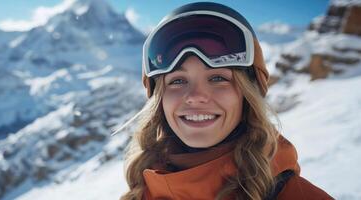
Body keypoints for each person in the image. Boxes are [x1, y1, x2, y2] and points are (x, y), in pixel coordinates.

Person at [120, 2, 333, 200]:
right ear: (160, 100)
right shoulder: (142, 192)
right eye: (177, 80)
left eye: (217, 78)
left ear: (247, 95)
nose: (195, 96)